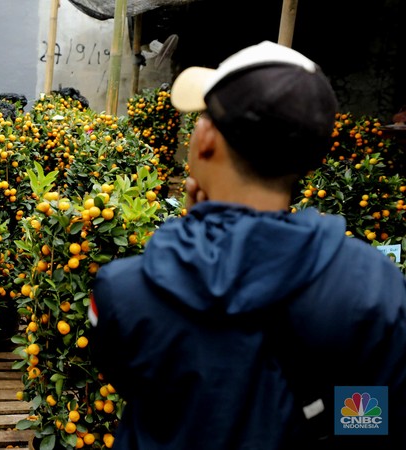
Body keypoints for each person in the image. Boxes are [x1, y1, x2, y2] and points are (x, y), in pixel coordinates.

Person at [88, 41, 406, 450]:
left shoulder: (124, 289)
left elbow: (130, 377)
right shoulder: (372, 287)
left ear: (205, 140)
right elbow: (372, 418)